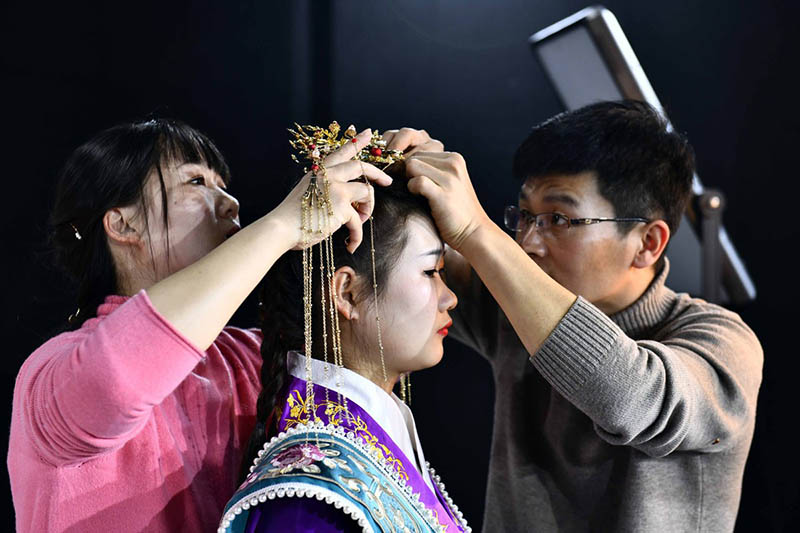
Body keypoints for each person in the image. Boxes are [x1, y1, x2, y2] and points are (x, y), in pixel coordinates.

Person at [387, 101, 763, 532]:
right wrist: (401, 175)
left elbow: (632, 399)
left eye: (558, 219)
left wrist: (477, 232)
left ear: (648, 243)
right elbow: (401, 267)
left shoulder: (722, 342)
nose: (528, 242)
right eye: (525, 216)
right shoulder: (511, 308)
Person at [8, 118, 393, 532]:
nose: (231, 203)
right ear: (123, 224)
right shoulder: (50, 373)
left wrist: (415, 184)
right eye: (196, 182)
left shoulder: (256, 355)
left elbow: (389, 339)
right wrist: (282, 225)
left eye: (223, 185)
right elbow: (116, 383)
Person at [219, 181, 469, 532]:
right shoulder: (312, 492)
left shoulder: (366, 445)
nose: (449, 298)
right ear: (347, 293)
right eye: (430, 272)